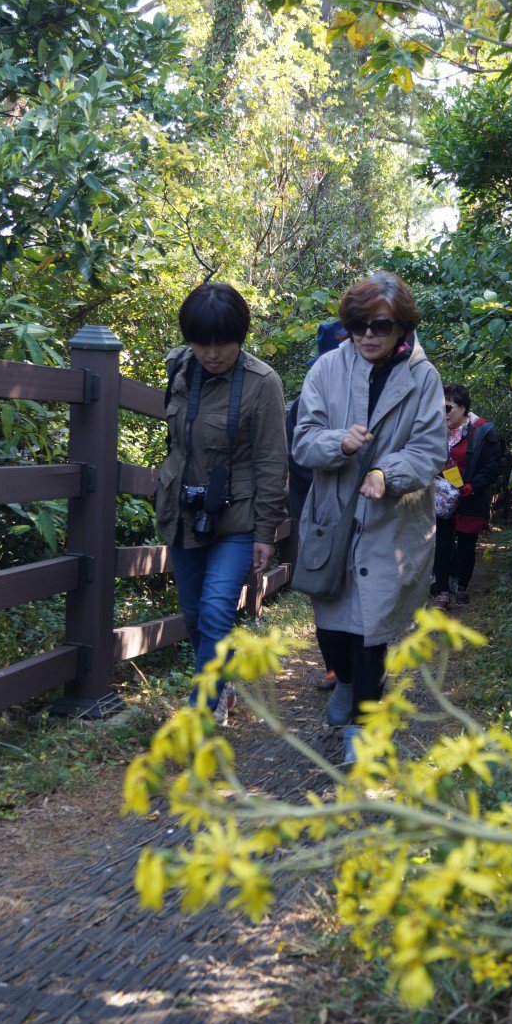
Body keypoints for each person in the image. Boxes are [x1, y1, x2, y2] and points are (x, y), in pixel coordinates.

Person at [292, 271, 446, 763]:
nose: (367, 336)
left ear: (402, 326)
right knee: (333, 629)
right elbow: (302, 440)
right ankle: (347, 684)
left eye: (379, 326)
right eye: (357, 326)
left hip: (392, 524)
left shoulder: (424, 378)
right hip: (334, 517)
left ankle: (364, 727)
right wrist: (339, 442)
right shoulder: (325, 370)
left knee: (371, 629)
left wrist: (387, 471)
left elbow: (429, 450)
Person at [154, 282, 289, 724]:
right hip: (184, 512)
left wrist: (266, 531)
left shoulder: (262, 383)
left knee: (215, 610)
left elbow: (272, 460)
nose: (211, 353)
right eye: (201, 342)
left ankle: (201, 711)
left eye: (222, 343)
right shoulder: (179, 368)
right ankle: (223, 685)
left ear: (241, 338)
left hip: (238, 516)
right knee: (194, 616)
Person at [285, 318, 348, 692]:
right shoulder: (304, 402)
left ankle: (356, 669)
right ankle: (337, 666)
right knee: (324, 585)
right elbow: (297, 457)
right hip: (319, 508)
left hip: (356, 505)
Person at [432, 383, 501, 609]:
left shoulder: (482, 431)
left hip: (470, 499)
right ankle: (442, 591)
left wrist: (473, 486)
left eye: (448, 408)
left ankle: (462, 586)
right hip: (443, 500)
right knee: (441, 546)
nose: (443, 413)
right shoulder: (436, 431)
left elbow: (492, 467)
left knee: (465, 547)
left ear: (463, 408)